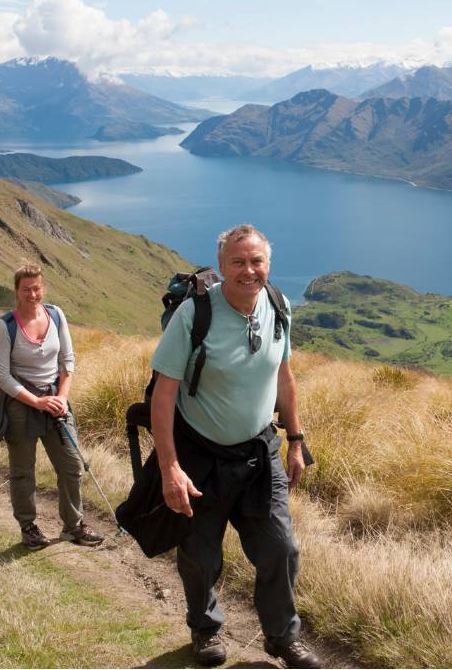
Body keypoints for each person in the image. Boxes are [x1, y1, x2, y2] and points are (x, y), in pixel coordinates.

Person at [150, 225, 321, 669]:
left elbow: (284, 377)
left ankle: (283, 638)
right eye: (238, 262)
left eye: (257, 261)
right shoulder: (195, 315)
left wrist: (296, 441)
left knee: (281, 548)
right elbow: (164, 396)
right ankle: (205, 631)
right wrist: (170, 468)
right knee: (201, 554)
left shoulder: (279, 306)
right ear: (222, 265)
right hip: (199, 454)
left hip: (259, 452)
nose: (249, 271)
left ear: (268, 264)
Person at [0, 261, 104, 549]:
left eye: (37, 288)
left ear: (43, 287)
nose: (32, 294)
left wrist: (62, 397)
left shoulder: (56, 315)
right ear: (16, 291)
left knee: (72, 466)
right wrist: (36, 401)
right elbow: (1, 376)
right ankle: (29, 527)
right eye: (26, 289)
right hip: (20, 405)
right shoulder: (6, 326)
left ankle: (73, 526)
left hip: (55, 401)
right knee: (23, 470)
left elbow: (68, 360)